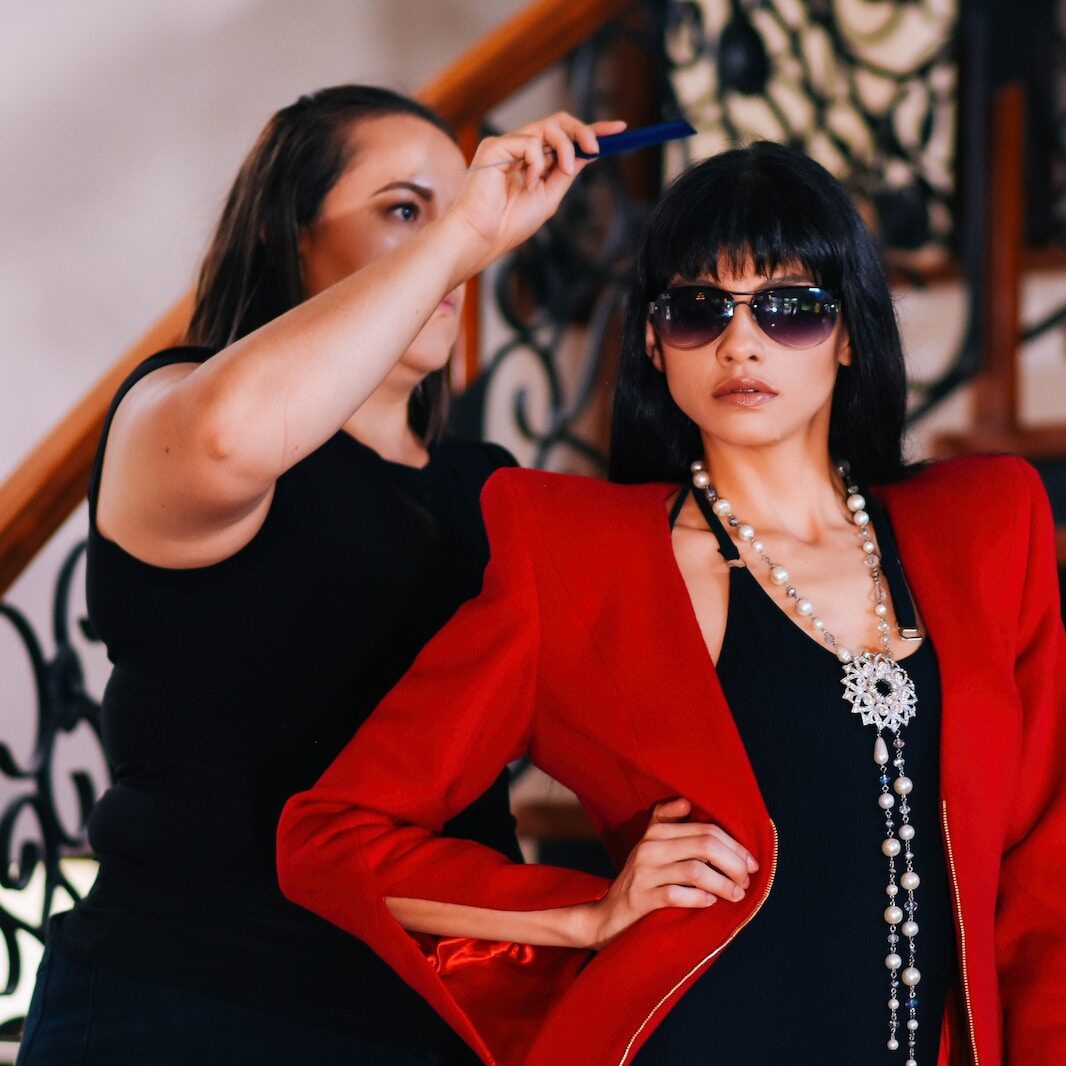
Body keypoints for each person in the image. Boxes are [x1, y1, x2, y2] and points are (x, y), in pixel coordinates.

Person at [276, 142, 1066, 1066]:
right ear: (654, 342)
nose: (742, 343)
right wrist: (582, 912)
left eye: (791, 308)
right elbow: (330, 838)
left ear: (850, 333)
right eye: (698, 310)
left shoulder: (984, 527)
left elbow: (1043, 868)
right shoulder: (577, 561)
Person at [16, 86, 623, 1066]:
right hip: (184, 1002)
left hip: (429, 1018)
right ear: (289, 240)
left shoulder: (494, 488)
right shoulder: (171, 406)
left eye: (454, 205)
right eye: (402, 208)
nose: (458, 243)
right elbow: (232, 433)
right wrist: (466, 222)